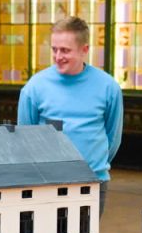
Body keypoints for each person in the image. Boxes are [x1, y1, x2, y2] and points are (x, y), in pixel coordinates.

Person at [17, 16, 123, 216]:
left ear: (84, 50)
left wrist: (92, 163)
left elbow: (113, 137)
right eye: (54, 49)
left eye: (65, 50)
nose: (58, 56)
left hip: (92, 181)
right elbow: (25, 138)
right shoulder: (35, 87)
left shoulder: (108, 87)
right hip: (46, 183)